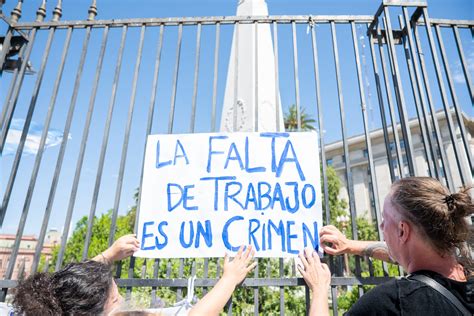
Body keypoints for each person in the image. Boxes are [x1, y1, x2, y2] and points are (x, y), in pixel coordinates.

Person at [299, 177, 473, 315]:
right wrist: (349, 245)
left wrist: (320, 289)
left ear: (402, 231)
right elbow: (402, 253)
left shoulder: (392, 302)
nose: (381, 227)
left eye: (384, 220)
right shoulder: (467, 277)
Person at [13, 234, 140, 315]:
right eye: (115, 299)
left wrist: (109, 255)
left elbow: (65, 285)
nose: (123, 301)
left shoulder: (63, 301)